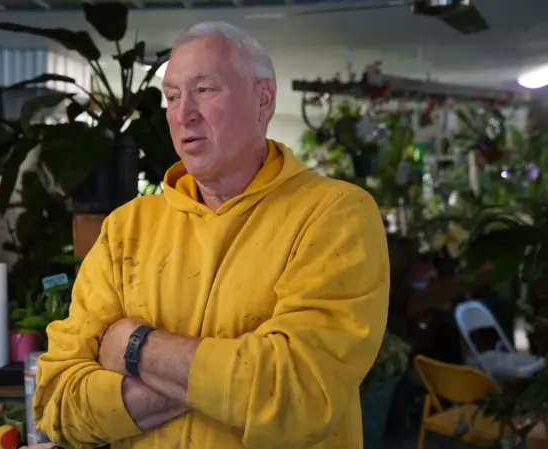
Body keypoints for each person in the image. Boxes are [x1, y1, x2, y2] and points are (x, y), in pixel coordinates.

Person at [33, 21, 389, 449]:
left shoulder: (334, 214)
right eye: (172, 96)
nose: (184, 114)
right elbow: (56, 401)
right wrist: (225, 382)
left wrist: (134, 346)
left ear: (263, 100)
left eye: (205, 89)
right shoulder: (126, 228)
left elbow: (297, 394)